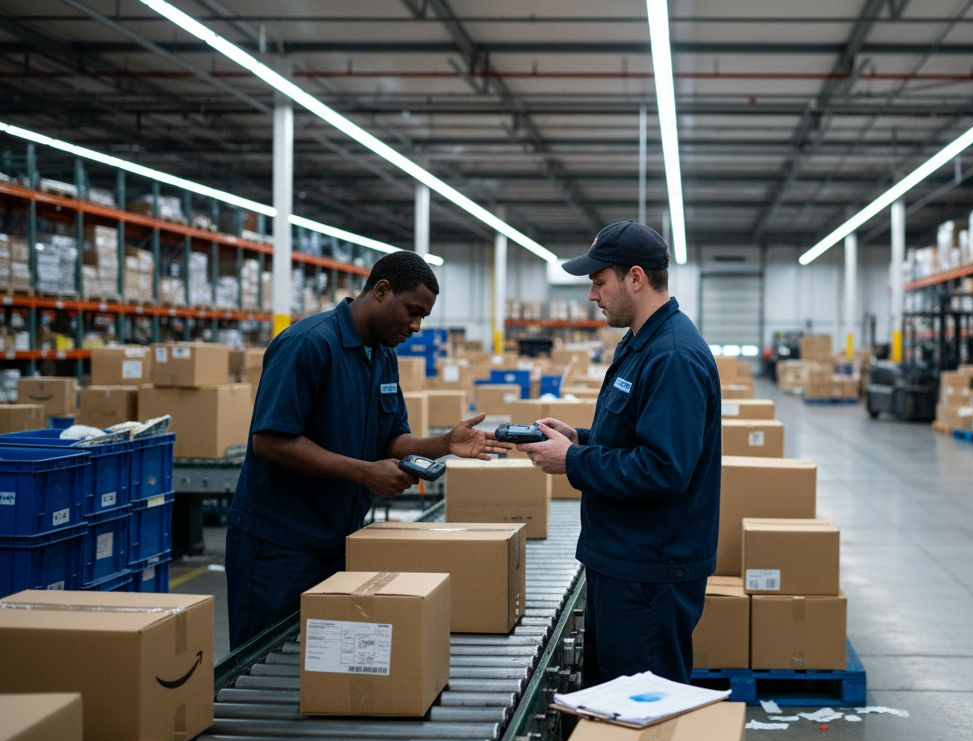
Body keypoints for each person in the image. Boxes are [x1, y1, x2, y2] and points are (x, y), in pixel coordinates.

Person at [225, 250, 508, 648]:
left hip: (338, 540)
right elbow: (270, 442)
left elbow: (390, 438)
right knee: (264, 664)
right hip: (278, 547)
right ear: (381, 290)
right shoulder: (308, 344)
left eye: (423, 316)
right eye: (412, 311)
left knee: (322, 664)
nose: (416, 326)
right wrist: (365, 472)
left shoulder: (383, 357)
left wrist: (444, 443)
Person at [518, 221, 721, 685]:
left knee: (638, 723)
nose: (592, 294)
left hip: (650, 572)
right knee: (610, 704)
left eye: (598, 281)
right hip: (626, 561)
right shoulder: (639, 343)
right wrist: (580, 440)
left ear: (635, 278)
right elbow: (638, 437)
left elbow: (663, 469)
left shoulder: (672, 355)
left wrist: (570, 462)